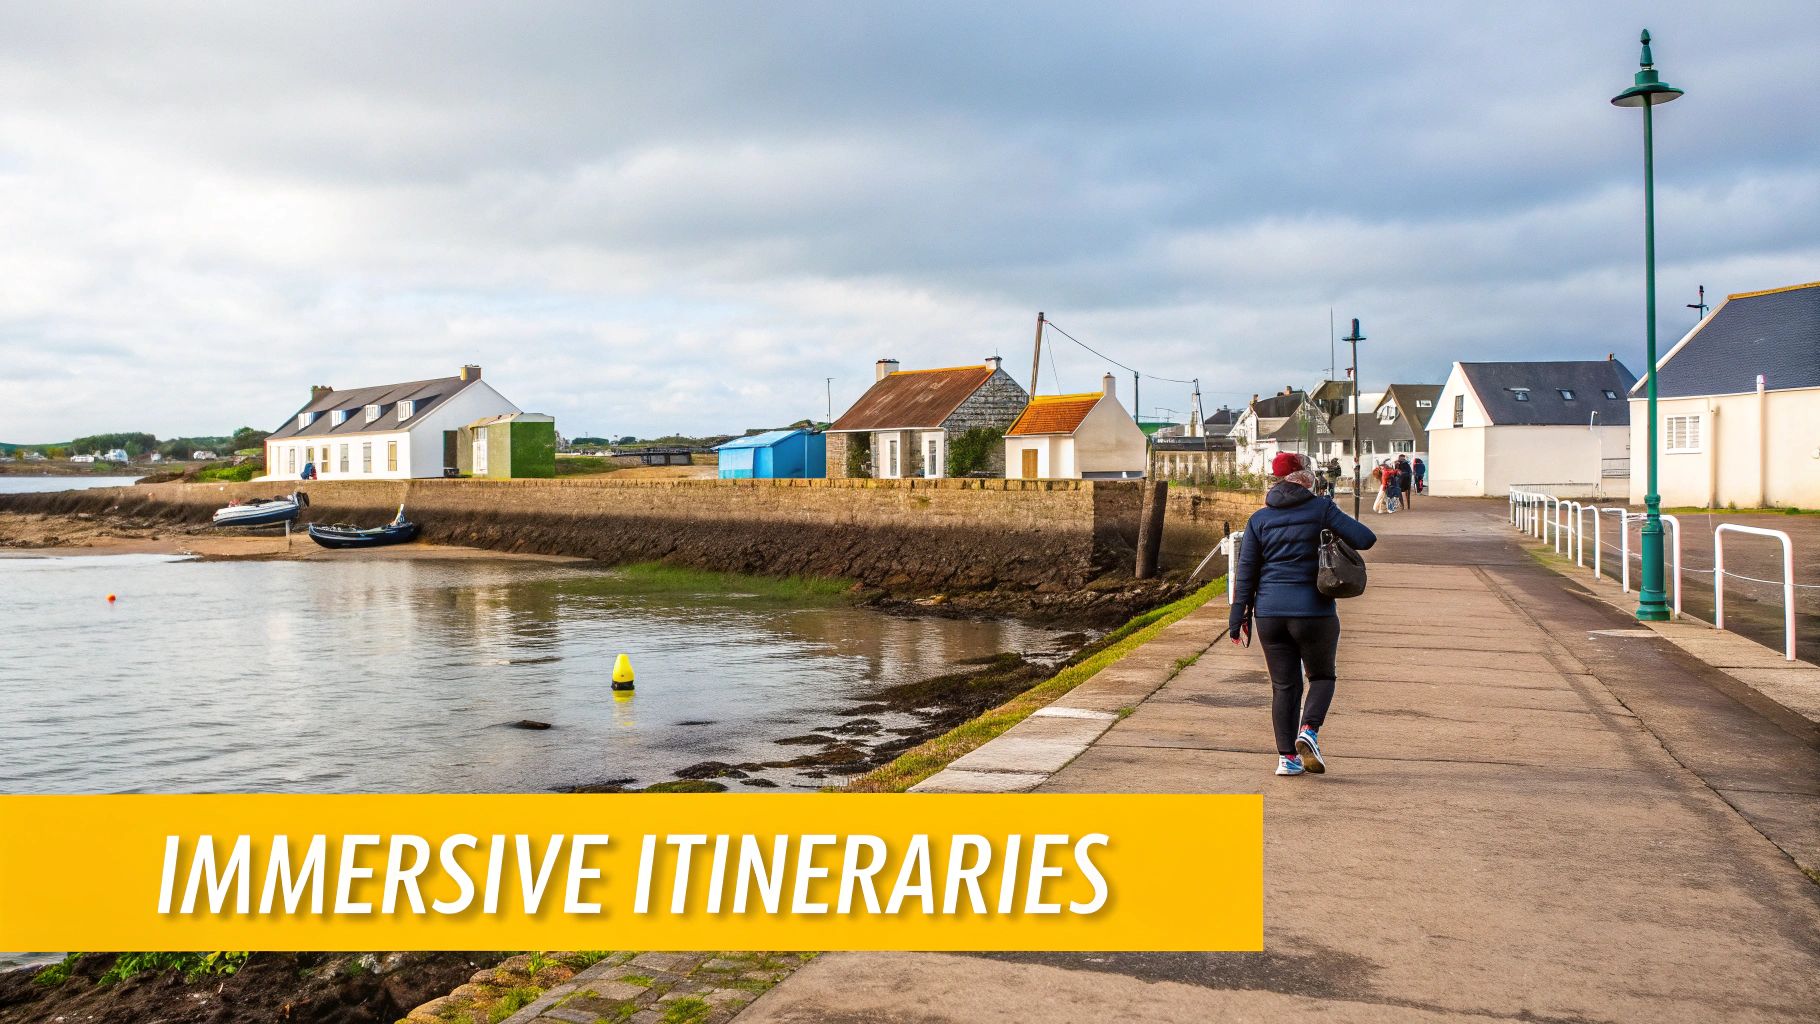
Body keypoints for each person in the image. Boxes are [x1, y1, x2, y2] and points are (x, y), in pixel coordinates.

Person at [1229, 451, 1377, 776]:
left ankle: (1287, 759)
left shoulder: (1259, 519)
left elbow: (1246, 570)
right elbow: (1366, 539)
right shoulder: (1321, 509)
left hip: (1269, 614)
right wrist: (1331, 528)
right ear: (1305, 477)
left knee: (1284, 686)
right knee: (1322, 676)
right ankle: (1308, 731)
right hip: (1314, 612)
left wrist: (1237, 616)